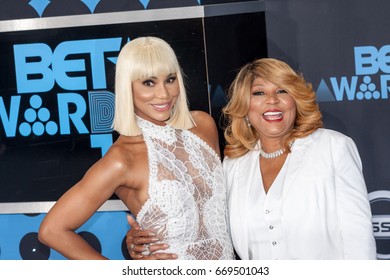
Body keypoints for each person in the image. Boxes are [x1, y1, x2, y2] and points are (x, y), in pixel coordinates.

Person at [126, 57, 377, 260]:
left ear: (295, 101)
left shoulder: (332, 147)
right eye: (258, 93)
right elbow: (203, 223)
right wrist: (137, 243)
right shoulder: (234, 165)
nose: (272, 100)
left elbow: (359, 238)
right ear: (245, 107)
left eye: (282, 90)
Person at [38, 36, 234, 260]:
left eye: (170, 79)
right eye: (148, 83)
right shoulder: (122, 159)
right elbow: (51, 230)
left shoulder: (202, 125)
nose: (164, 94)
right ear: (127, 87)